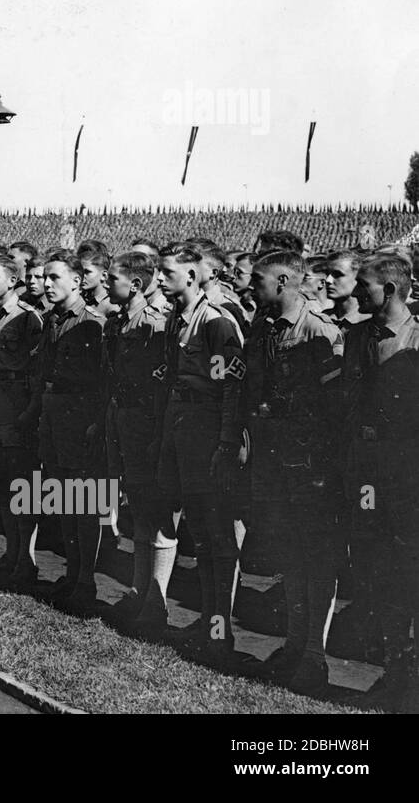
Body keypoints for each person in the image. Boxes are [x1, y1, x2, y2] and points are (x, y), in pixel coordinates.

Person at [244, 249, 344, 692]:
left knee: (315, 555)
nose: (252, 287)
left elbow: (334, 406)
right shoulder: (264, 326)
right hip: (274, 460)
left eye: (260, 280)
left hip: (310, 464)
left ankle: (315, 656)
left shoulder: (318, 331)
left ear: (283, 282)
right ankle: (295, 643)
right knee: (288, 554)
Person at [155, 242, 247, 664]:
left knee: (215, 533)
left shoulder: (215, 322)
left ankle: (219, 629)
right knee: (202, 533)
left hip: (206, 432)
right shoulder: (182, 318)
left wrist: (226, 442)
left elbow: (229, 386)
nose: (159, 279)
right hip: (182, 426)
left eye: (167, 273)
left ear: (191, 276)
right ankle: (211, 622)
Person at [344, 253, 419, 710]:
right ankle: (395, 670)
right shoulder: (357, 336)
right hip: (365, 476)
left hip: (408, 478)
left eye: (364, 286)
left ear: (389, 290)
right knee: (380, 573)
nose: (356, 293)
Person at [24, 251, 106, 615]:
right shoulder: (51, 321)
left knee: (85, 502)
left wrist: (96, 423)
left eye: (55, 278)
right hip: (54, 415)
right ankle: (73, 574)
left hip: (80, 418)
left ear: (76, 281)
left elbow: (105, 380)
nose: (46, 284)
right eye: (44, 278)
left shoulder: (93, 323)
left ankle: (86, 580)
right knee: (63, 499)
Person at [102, 250, 171, 633]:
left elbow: (160, 380)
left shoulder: (153, 324)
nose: (108, 285)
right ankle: (138, 589)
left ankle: (154, 601)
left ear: (136, 285)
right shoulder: (122, 321)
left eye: (113, 279)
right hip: (124, 417)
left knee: (153, 511)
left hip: (145, 421)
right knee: (138, 512)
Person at [0, 255, 43, 587]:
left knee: (20, 481)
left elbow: (35, 368)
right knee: (0, 477)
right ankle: (11, 553)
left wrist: (27, 410)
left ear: (13, 281)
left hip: (12, 395)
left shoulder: (28, 319)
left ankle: (25, 559)